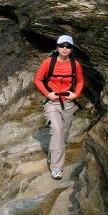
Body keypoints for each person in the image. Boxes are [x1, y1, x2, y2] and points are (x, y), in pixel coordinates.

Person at [34, 34, 84, 180]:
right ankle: (57, 168)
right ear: (57, 47)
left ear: (71, 49)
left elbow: (80, 81)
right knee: (57, 130)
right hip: (52, 103)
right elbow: (37, 79)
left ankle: (52, 155)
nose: (64, 48)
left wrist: (75, 95)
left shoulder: (76, 64)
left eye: (68, 46)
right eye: (62, 46)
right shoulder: (49, 62)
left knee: (62, 134)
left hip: (68, 103)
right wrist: (48, 94)